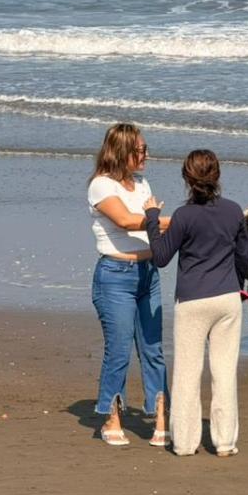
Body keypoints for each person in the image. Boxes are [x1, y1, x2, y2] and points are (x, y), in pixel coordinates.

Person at [144, 149, 248, 457]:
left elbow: (161, 256)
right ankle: (225, 443)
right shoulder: (233, 211)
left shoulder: (183, 216)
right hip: (227, 297)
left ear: (187, 179)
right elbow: (244, 256)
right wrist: (238, 286)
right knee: (224, 372)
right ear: (217, 176)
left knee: (188, 374)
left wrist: (152, 218)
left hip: (192, 300)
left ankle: (186, 443)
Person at [87, 123, 170, 447]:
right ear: (122, 152)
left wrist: (160, 226)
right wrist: (172, 221)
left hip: (148, 273)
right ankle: (111, 417)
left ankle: (161, 418)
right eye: (140, 150)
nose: (145, 154)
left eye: (145, 148)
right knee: (119, 350)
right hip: (115, 276)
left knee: (153, 349)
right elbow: (125, 220)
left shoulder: (140, 183)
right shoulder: (100, 185)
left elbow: (149, 227)